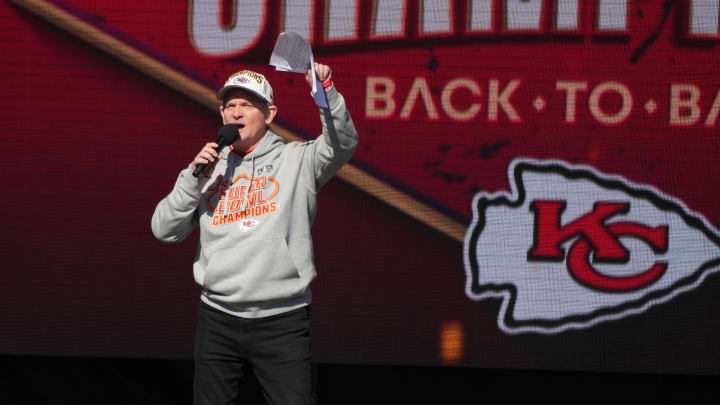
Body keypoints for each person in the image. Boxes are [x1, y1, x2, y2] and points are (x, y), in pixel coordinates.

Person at [151, 63, 357, 404]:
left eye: (247, 104)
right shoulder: (207, 169)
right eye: (230, 105)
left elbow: (343, 143)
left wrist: (326, 93)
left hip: (282, 319)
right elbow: (164, 230)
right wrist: (192, 178)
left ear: (269, 113)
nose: (236, 112)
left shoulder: (297, 160)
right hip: (217, 316)